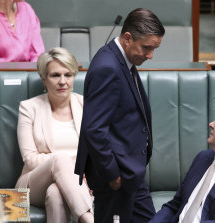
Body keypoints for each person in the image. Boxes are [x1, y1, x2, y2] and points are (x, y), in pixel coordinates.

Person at [74, 8, 165, 223]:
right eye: (147, 48)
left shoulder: (121, 60)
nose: (151, 55)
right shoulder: (108, 67)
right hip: (116, 176)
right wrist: (112, 175)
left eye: (154, 49)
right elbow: (94, 128)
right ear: (127, 38)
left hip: (130, 172)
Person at [15, 47, 94, 223]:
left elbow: (98, 149)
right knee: (60, 159)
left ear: (74, 76)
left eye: (68, 74)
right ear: (44, 79)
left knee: (56, 193)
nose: (62, 81)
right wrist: (69, 166)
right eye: (55, 75)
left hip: (77, 184)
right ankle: (88, 218)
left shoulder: (87, 105)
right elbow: (29, 158)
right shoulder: (29, 108)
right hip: (32, 183)